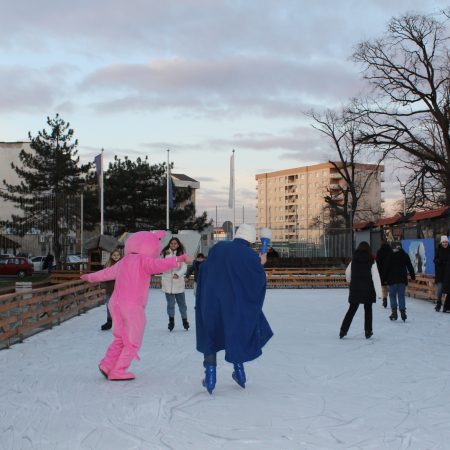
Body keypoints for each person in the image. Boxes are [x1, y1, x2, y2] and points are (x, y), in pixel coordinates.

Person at [81, 231, 192, 381]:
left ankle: (107, 364)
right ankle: (118, 370)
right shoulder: (143, 261)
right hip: (132, 306)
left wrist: (90, 277)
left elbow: (106, 273)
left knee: (120, 337)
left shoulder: (124, 261)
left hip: (115, 304)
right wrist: (181, 258)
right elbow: (160, 264)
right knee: (133, 340)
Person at [195, 223, 273, 394]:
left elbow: (206, 268)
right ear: (251, 240)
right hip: (235, 305)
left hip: (212, 302)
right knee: (236, 334)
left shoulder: (219, 247)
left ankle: (210, 377)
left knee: (211, 334)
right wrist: (261, 263)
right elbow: (256, 282)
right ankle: (240, 373)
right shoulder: (250, 255)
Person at [339, 241, 382, 339]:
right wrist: (379, 293)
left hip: (355, 288)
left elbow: (347, 272)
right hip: (368, 289)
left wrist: (349, 280)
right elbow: (376, 277)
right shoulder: (372, 260)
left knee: (352, 309)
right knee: (368, 310)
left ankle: (343, 330)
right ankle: (368, 331)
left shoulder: (353, 260)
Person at [382, 241, 415, 322]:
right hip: (402, 280)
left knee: (392, 296)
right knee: (401, 296)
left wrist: (384, 279)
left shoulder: (390, 255)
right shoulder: (405, 255)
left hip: (392, 280)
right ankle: (403, 312)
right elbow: (410, 266)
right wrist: (413, 276)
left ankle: (394, 313)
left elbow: (386, 268)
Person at [161, 237, 189, 331]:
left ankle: (185, 320)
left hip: (178, 283)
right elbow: (161, 264)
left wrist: (178, 274)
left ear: (178, 244)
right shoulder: (164, 253)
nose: (173, 245)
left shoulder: (181, 254)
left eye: (175, 243)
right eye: (172, 243)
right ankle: (171, 321)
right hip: (167, 282)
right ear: (169, 244)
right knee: (170, 304)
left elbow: (184, 267)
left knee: (182, 304)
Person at [100, 248, 122, 331]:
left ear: (120, 256)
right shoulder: (108, 265)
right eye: (114, 255)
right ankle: (109, 321)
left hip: (121, 289)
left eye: (117, 255)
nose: (116, 257)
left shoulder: (123, 264)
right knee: (109, 305)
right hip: (109, 288)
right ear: (111, 256)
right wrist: (103, 287)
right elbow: (103, 276)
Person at [434, 235, 449, 312]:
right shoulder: (438, 249)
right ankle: (438, 304)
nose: (445, 243)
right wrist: (438, 261)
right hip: (440, 273)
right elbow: (435, 260)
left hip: (448, 273)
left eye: (446, 242)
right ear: (441, 242)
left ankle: (447, 306)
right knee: (440, 290)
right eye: (443, 242)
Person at [375, 240, 392, 308]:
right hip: (390, 271)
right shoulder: (391, 251)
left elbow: (377, 262)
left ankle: (384, 298)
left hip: (382, 272)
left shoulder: (379, 251)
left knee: (384, 286)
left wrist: (378, 271)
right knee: (390, 286)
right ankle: (392, 299)